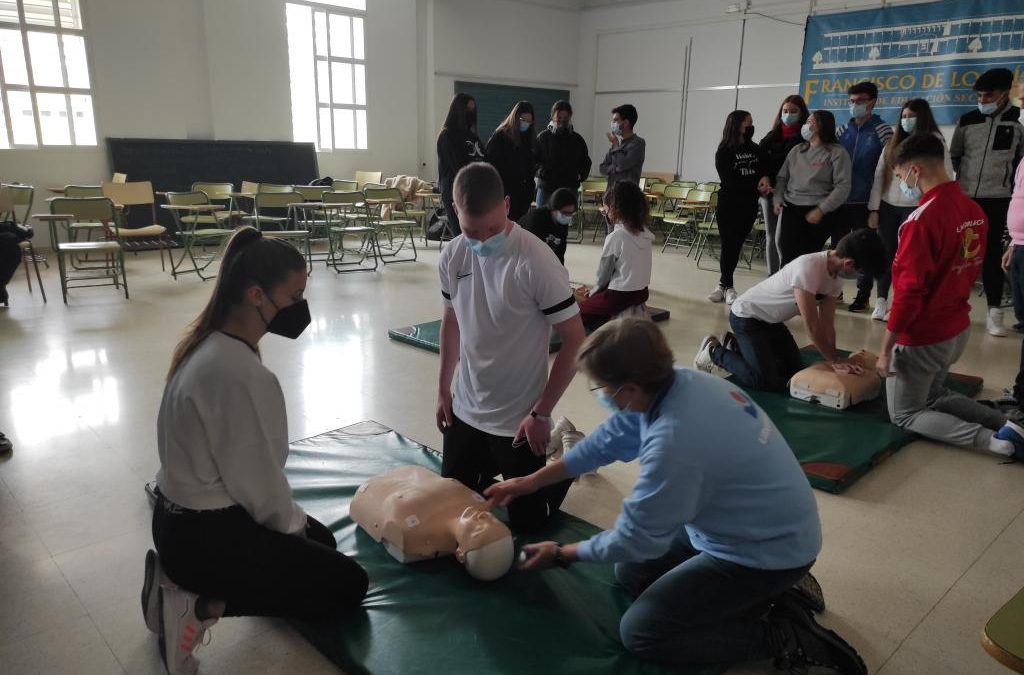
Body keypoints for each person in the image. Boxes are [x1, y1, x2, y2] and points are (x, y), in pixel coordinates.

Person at [485, 319, 866, 675]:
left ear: (629, 389)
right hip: (755, 522)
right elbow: (605, 443)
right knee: (631, 573)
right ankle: (762, 596)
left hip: (765, 550)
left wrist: (564, 554)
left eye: (602, 388)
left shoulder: (675, 442)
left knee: (642, 632)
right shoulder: (672, 382)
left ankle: (782, 637)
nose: (602, 396)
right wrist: (529, 482)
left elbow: (636, 537)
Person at [146, 227, 368, 675]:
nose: (300, 307)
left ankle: (176, 580)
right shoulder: (238, 374)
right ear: (255, 295)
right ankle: (198, 604)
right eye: (294, 295)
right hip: (205, 540)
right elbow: (259, 485)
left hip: (177, 523)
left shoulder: (207, 346)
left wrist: (298, 532)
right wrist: (290, 528)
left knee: (320, 543)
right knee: (348, 583)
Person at [436, 162, 585, 533]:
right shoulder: (453, 256)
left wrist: (541, 413)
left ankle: (562, 473)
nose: (483, 241)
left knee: (528, 526)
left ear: (506, 205)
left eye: (491, 229)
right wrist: (443, 391)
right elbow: (452, 321)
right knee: (453, 510)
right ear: (456, 211)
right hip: (467, 407)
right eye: (472, 231)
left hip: (519, 419)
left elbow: (576, 341)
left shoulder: (535, 261)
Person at [876, 133, 1024, 459]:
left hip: (924, 336)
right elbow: (971, 270)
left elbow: (908, 293)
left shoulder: (921, 220)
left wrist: (885, 349)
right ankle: (1006, 424)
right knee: (936, 394)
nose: (902, 183)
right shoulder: (972, 209)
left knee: (906, 414)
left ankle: (997, 442)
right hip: (957, 328)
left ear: (914, 170)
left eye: (900, 176)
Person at [694, 229, 883, 391]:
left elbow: (827, 324)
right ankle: (714, 352)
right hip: (747, 318)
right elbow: (812, 326)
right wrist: (834, 360)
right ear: (848, 263)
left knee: (793, 373)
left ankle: (733, 344)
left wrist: (836, 360)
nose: (859, 277)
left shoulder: (837, 276)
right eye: (861, 273)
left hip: (772, 322)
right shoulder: (808, 268)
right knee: (764, 381)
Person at [950, 67, 1024, 337]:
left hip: (999, 198)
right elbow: (955, 155)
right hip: (967, 198)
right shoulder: (967, 120)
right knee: (961, 254)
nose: (982, 100)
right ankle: (954, 308)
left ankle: (994, 313)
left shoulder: (1018, 122)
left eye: (988, 95)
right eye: (979, 95)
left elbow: (1020, 162)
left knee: (991, 256)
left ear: (1004, 94)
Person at [866, 98, 954, 322]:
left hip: (917, 207)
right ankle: (881, 301)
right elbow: (879, 177)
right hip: (888, 206)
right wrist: (874, 209)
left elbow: (946, 174)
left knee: (908, 258)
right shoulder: (893, 143)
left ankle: (900, 303)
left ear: (922, 117)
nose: (906, 121)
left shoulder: (935, 142)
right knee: (885, 254)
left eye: (911, 116)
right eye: (903, 117)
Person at [350, 466, 514, 581]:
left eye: (478, 530)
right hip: (411, 473)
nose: (483, 517)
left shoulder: (410, 534)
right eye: (494, 520)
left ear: (460, 554)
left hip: (372, 489)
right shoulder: (477, 503)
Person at [836, 81, 893, 313]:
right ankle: (834, 290)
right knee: (838, 247)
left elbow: (887, 170)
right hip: (840, 201)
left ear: (872, 102)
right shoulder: (840, 131)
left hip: (866, 203)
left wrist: (876, 207)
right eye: (852, 101)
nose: (855, 105)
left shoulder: (883, 130)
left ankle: (863, 295)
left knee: (865, 251)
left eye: (860, 101)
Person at [774, 110, 852, 266]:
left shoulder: (837, 152)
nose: (806, 126)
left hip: (818, 210)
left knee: (808, 258)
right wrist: (777, 199)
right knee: (787, 254)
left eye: (810, 122)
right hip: (792, 208)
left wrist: (821, 209)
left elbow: (843, 187)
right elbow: (782, 178)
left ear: (822, 126)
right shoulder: (797, 150)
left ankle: (808, 290)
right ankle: (787, 289)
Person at [577, 182, 654, 329]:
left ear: (613, 208)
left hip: (620, 296)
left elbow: (603, 275)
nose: (605, 214)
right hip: (642, 293)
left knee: (580, 312)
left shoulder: (616, 237)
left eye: (605, 210)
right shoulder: (646, 234)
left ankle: (610, 319)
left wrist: (593, 293)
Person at [709, 109, 763, 305]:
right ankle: (728, 286)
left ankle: (722, 284)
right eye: (748, 123)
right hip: (728, 205)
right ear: (737, 125)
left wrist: (761, 182)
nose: (751, 127)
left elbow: (761, 173)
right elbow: (729, 181)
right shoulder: (724, 151)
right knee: (728, 244)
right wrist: (754, 184)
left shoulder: (756, 149)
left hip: (748, 205)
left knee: (737, 245)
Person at [758, 95, 810, 275]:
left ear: (802, 113)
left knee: (784, 239)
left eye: (793, 111)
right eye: (785, 111)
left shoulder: (805, 138)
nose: (788, 115)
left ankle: (785, 277)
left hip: (792, 194)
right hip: (768, 193)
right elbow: (760, 161)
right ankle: (772, 278)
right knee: (771, 237)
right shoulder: (771, 136)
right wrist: (765, 179)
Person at [437, 92, 485, 236]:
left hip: (475, 192)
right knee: (463, 236)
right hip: (457, 192)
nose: (471, 113)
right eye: (467, 109)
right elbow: (457, 166)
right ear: (458, 110)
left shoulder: (473, 136)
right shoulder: (447, 135)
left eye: (473, 110)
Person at [485, 100, 537, 221]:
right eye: (523, 120)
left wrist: (529, 193)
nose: (526, 124)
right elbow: (489, 166)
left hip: (521, 197)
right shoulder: (500, 136)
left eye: (529, 121)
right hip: (502, 194)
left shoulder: (528, 139)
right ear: (515, 118)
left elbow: (530, 168)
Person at [534, 100, 592, 207]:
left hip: (569, 190)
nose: (562, 121)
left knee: (564, 222)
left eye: (565, 118)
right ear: (552, 117)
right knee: (541, 221)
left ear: (570, 117)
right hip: (546, 189)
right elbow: (533, 160)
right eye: (559, 118)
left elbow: (586, 162)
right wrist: (541, 171)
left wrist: (579, 175)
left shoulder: (577, 140)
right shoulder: (542, 138)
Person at [519, 187, 577, 265]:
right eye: (565, 213)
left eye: (571, 213)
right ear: (554, 209)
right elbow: (532, 255)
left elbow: (560, 252)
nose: (567, 217)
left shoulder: (562, 222)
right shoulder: (536, 219)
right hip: (520, 253)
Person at [599, 104, 646, 190]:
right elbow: (602, 168)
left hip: (627, 195)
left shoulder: (638, 143)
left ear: (626, 123)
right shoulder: (617, 144)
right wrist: (614, 168)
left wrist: (616, 144)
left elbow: (622, 165)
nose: (613, 124)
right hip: (611, 194)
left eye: (616, 120)